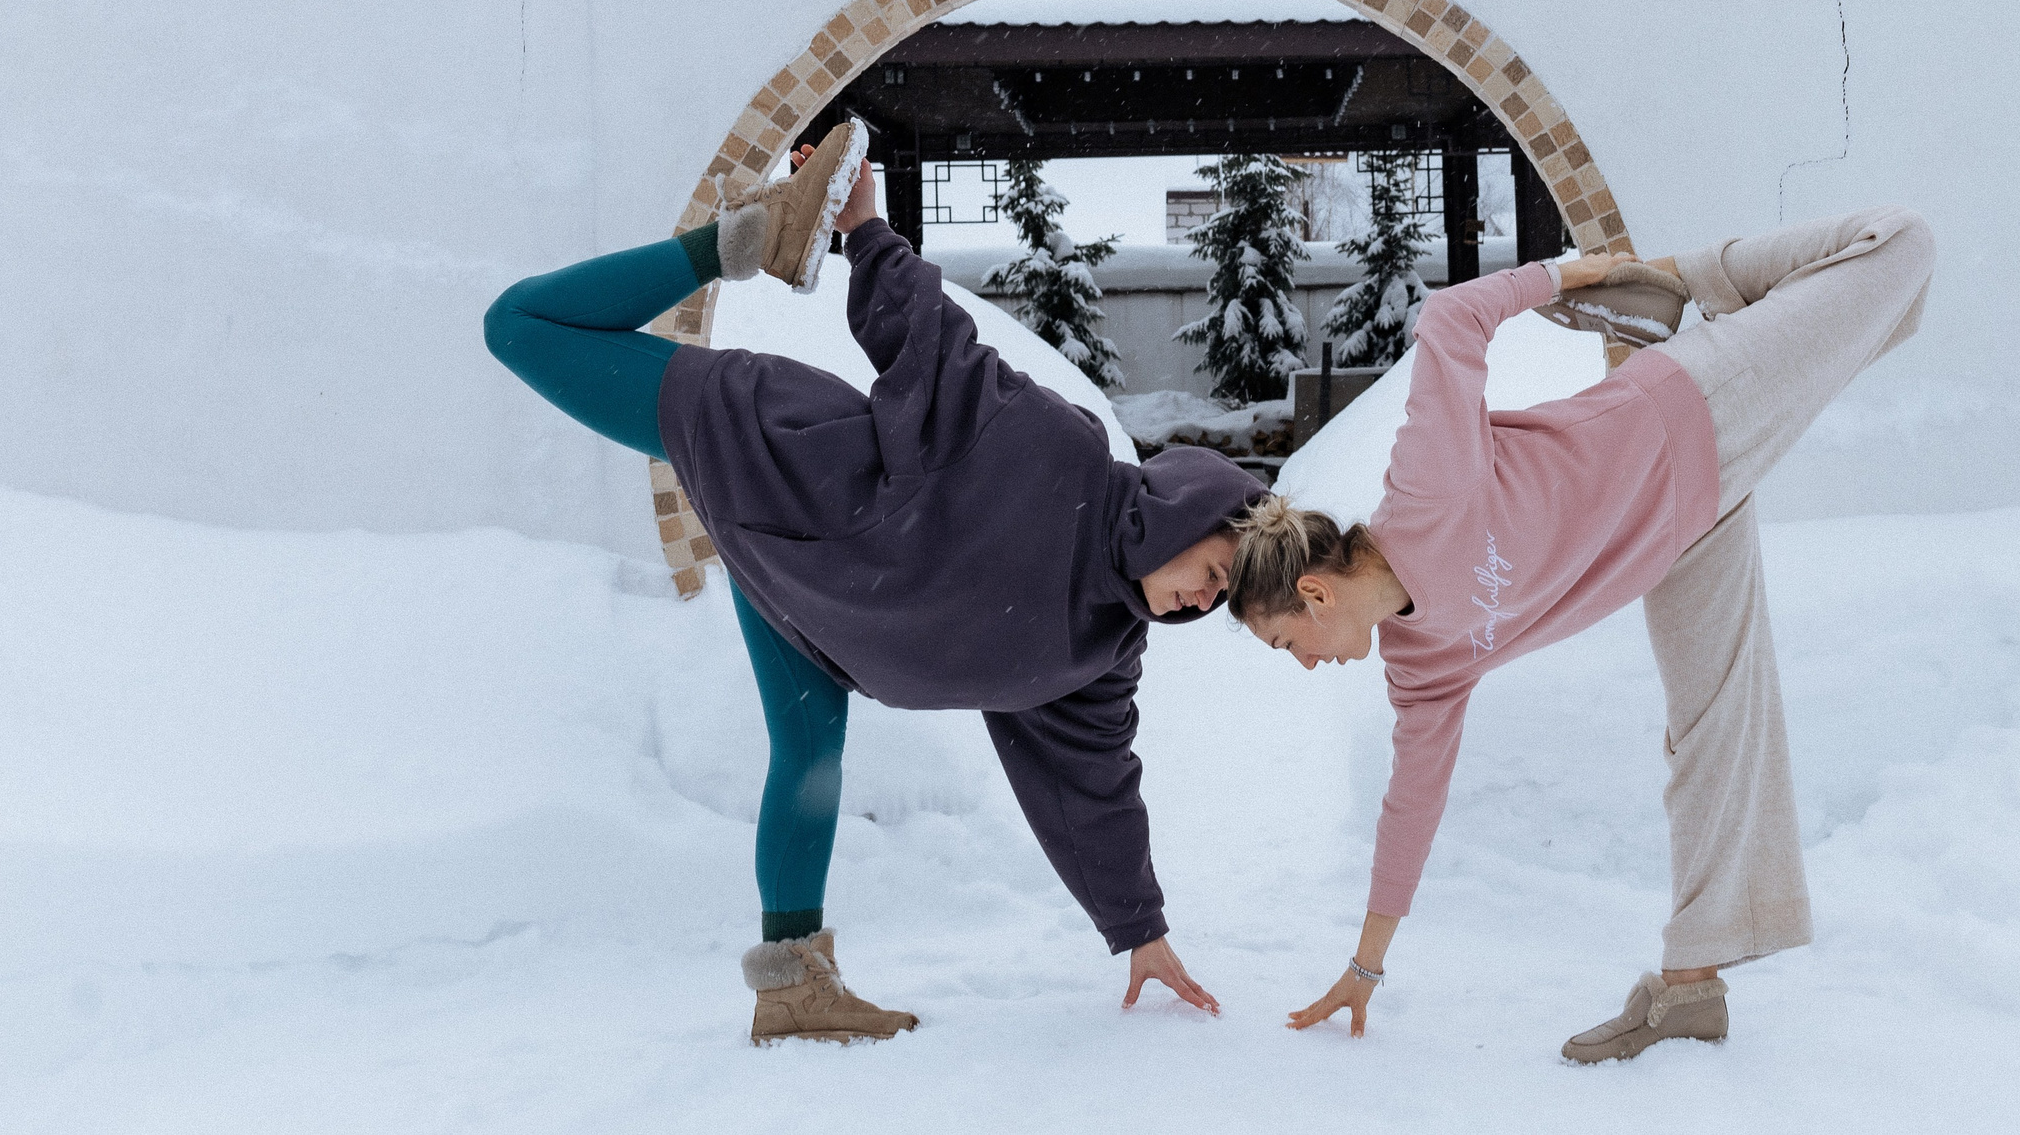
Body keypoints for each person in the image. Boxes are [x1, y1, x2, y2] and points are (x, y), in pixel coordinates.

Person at [483, 120, 1265, 1044]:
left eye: (1219, 602)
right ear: (1186, 515)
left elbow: (1093, 789)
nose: (1204, 599)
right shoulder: (1065, 460)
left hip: (811, 604)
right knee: (520, 326)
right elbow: (939, 357)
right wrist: (865, 230)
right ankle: (737, 243)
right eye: (1213, 572)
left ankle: (791, 986)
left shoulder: (1097, 656)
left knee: (809, 758)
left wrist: (1141, 933)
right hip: (785, 458)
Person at [1227, 207, 1936, 1062]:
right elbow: (1409, 808)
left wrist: (1572, 274)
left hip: (1692, 413)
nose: (1303, 664)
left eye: (1287, 644)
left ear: (1313, 593)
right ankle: (1690, 992)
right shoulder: (1423, 664)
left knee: (1900, 247)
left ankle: (1682, 277)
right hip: (1678, 538)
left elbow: (1453, 319)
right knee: (1711, 731)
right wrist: (1365, 968)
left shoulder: (1423, 493)